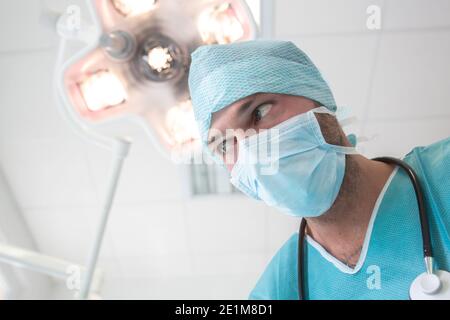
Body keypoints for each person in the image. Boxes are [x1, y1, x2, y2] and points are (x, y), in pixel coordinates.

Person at [188, 40, 450, 299]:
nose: (250, 151)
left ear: (317, 97)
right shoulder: (279, 288)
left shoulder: (442, 177)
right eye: (224, 145)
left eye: (260, 112)